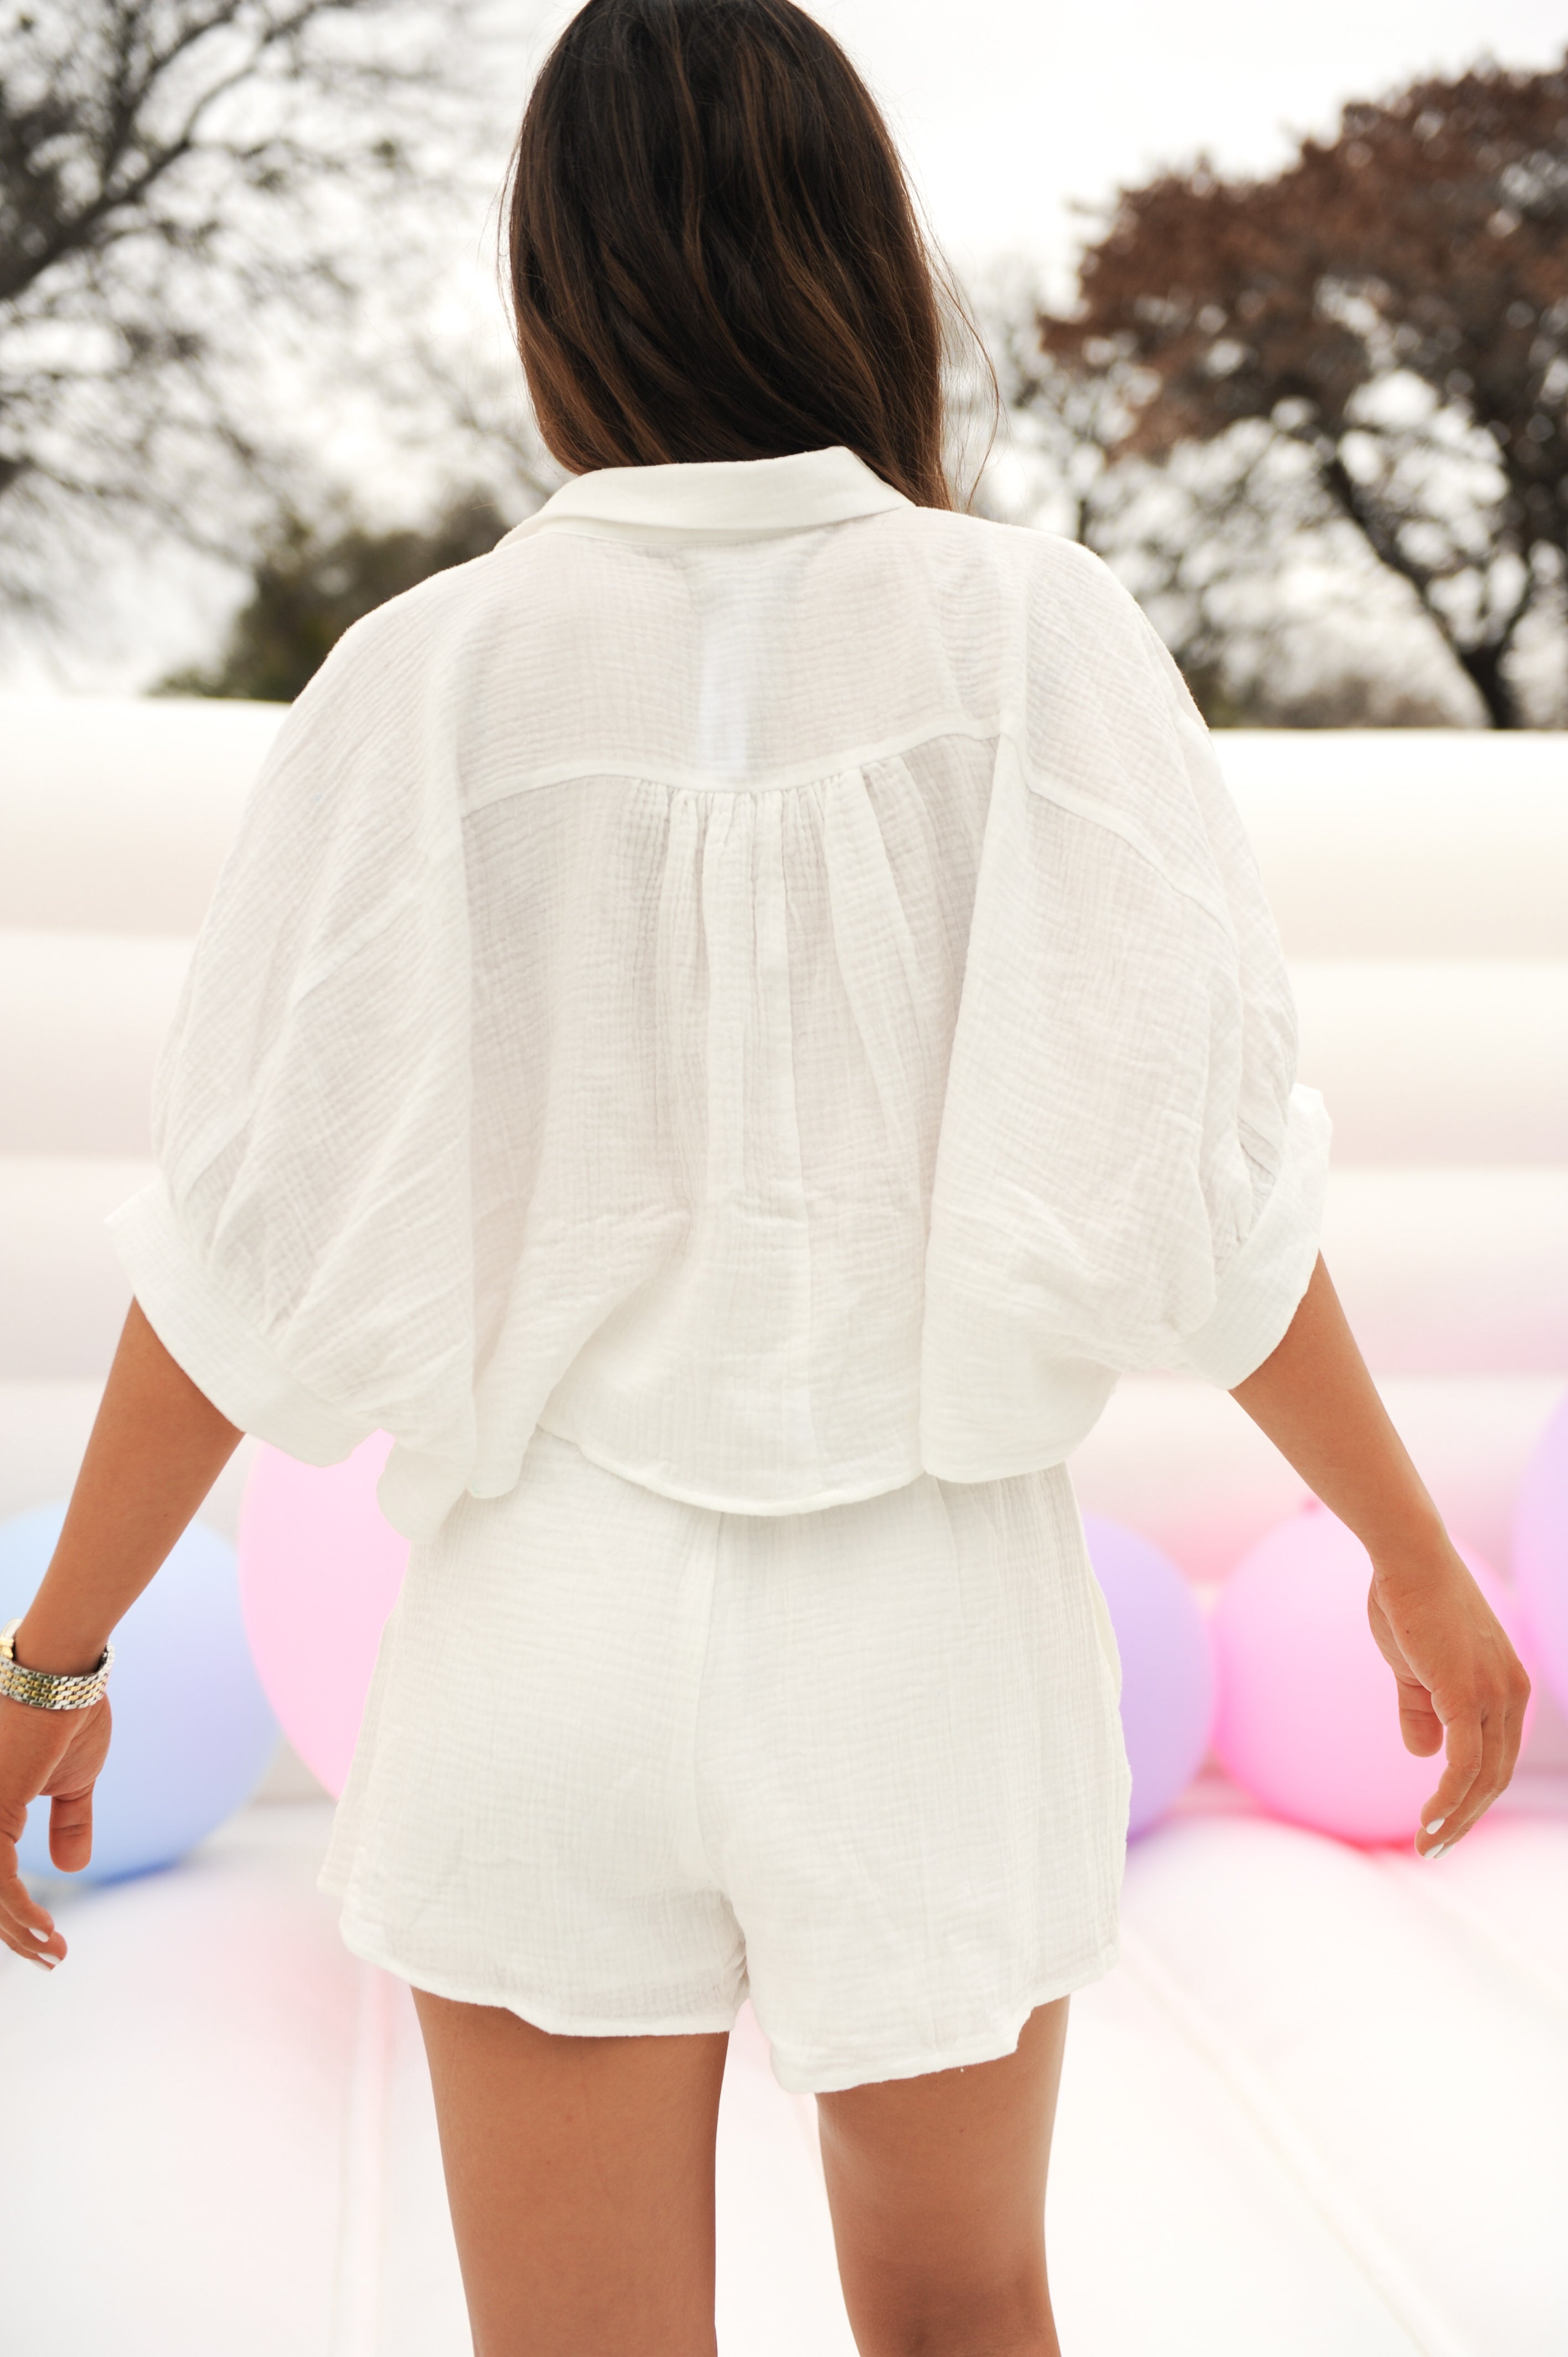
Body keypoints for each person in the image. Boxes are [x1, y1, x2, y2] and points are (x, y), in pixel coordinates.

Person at [0, 4, 1530, 2352]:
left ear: (553, 291)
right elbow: (1199, 1192)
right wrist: (1417, 1562)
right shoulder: (1035, 634)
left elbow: (246, 1251)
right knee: (963, 2314)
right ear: (862, 262)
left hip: (547, 1635)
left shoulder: (419, 681)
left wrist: (54, 1654)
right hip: (928, 1630)